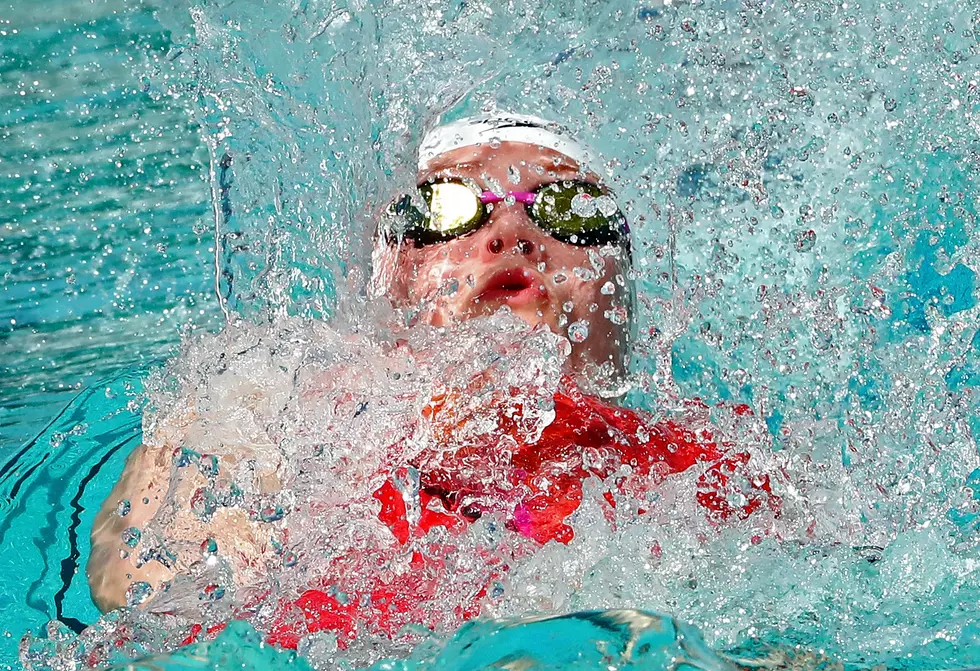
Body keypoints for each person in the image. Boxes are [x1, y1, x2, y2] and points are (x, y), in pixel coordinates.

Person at [87, 114, 777, 649]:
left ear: (624, 311)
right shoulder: (277, 419)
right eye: (441, 207)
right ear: (383, 285)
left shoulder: (706, 470)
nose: (510, 228)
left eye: (571, 207)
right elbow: (142, 600)